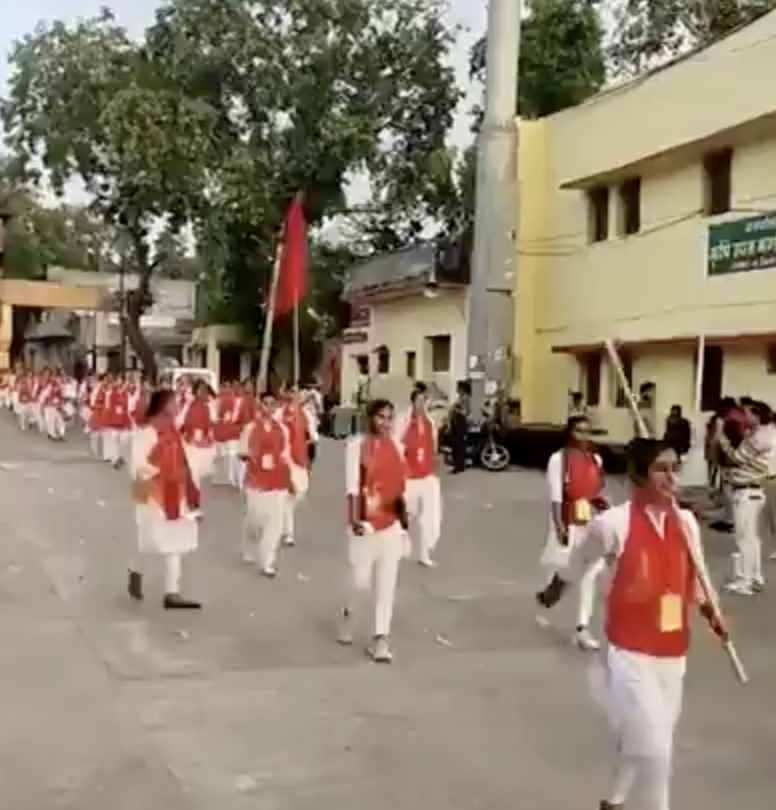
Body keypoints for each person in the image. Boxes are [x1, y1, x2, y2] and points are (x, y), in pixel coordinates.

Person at [537, 438, 726, 810]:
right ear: (639, 475)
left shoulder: (685, 522)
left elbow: (699, 578)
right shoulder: (612, 524)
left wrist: (712, 612)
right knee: (657, 748)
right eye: (661, 469)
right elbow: (578, 562)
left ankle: (614, 800)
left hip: (672, 648)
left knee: (648, 736)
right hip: (629, 650)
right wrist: (555, 590)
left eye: (675, 468)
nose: (672, 477)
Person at [339, 398, 408, 663]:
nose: (385, 423)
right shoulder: (357, 446)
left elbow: (402, 489)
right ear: (371, 418)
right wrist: (355, 519)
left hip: (390, 523)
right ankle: (348, 612)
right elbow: (352, 486)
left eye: (390, 418)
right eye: (381, 417)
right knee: (359, 581)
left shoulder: (398, 448)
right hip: (364, 523)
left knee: (386, 584)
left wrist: (404, 526)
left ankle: (380, 637)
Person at [538, 415, 609, 650]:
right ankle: (555, 587)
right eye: (579, 431)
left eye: (587, 431)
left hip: (592, 524)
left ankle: (582, 627)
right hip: (570, 522)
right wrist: (560, 526)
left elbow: (599, 492)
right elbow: (556, 496)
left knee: (591, 573)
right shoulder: (558, 460)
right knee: (571, 569)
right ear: (570, 433)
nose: (583, 436)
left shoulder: (595, 460)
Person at [128, 388, 202, 609]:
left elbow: (186, 461)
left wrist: (189, 484)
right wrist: (158, 473)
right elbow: (137, 464)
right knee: (150, 542)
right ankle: (136, 569)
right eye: (173, 402)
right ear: (162, 406)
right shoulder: (148, 433)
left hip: (175, 494)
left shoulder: (175, 433)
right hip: (153, 494)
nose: (177, 405)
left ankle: (172, 592)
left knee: (175, 542)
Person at [715, 400, 772, 595]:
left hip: (748, 491)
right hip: (753, 491)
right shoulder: (764, 434)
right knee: (752, 539)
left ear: (757, 415)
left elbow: (736, 457)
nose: (744, 418)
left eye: (747, 414)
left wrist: (721, 437)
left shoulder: (760, 437)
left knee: (744, 539)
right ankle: (755, 577)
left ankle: (745, 581)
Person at [239, 390, 294, 577]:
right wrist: (252, 458)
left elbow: (286, 455)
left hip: (277, 480)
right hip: (255, 480)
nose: (269, 408)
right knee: (255, 520)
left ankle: (267, 562)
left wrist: (290, 479)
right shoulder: (250, 428)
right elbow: (242, 452)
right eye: (265, 404)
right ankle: (249, 543)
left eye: (272, 404)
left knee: (275, 523)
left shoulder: (283, 430)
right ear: (260, 405)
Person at [393, 382, 442, 567]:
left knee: (427, 518)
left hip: (426, 476)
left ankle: (424, 553)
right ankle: (398, 547)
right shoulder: (404, 421)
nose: (421, 405)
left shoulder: (430, 423)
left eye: (424, 401)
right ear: (412, 402)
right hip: (409, 477)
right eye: (419, 401)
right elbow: (396, 445)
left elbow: (433, 446)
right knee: (406, 515)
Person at [177, 380, 217, 486]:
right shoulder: (188, 406)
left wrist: (209, 436)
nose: (203, 392)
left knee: (200, 471)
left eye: (205, 389)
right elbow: (179, 421)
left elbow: (214, 422)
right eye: (200, 389)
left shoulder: (210, 406)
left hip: (204, 444)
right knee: (193, 471)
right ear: (196, 392)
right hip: (190, 443)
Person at [448, 380, 470, 474]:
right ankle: (459, 465)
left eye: (458, 387)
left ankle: (458, 466)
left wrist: (455, 409)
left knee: (458, 445)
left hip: (460, 423)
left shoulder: (465, 398)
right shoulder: (460, 397)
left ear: (462, 389)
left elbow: (465, 412)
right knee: (456, 445)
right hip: (456, 422)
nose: (456, 389)